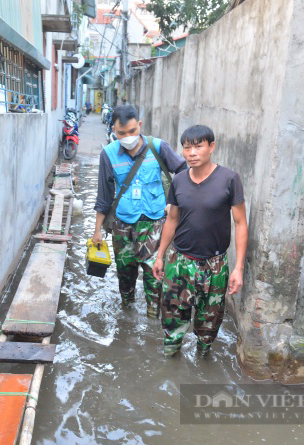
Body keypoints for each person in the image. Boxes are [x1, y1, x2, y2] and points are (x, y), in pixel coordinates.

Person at [152, 125, 248, 356]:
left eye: (198, 147)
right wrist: (160, 256)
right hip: (179, 262)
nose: (191, 153)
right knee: (172, 321)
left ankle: (203, 357)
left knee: (209, 324)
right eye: (187, 148)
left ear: (211, 147)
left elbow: (240, 223)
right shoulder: (179, 181)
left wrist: (238, 268)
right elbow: (172, 219)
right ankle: (171, 364)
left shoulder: (229, 179)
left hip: (214, 266)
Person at [92, 105, 187, 317]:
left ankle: (153, 317)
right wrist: (97, 231)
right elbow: (104, 197)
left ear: (140, 125)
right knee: (125, 274)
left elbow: (182, 171)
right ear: (114, 131)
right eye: (121, 133)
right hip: (122, 225)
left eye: (132, 131)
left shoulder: (158, 147)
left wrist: (174, 202)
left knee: (155, 276)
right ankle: (127, 314)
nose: (128, 137)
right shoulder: (108, 155)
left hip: (154, 223)